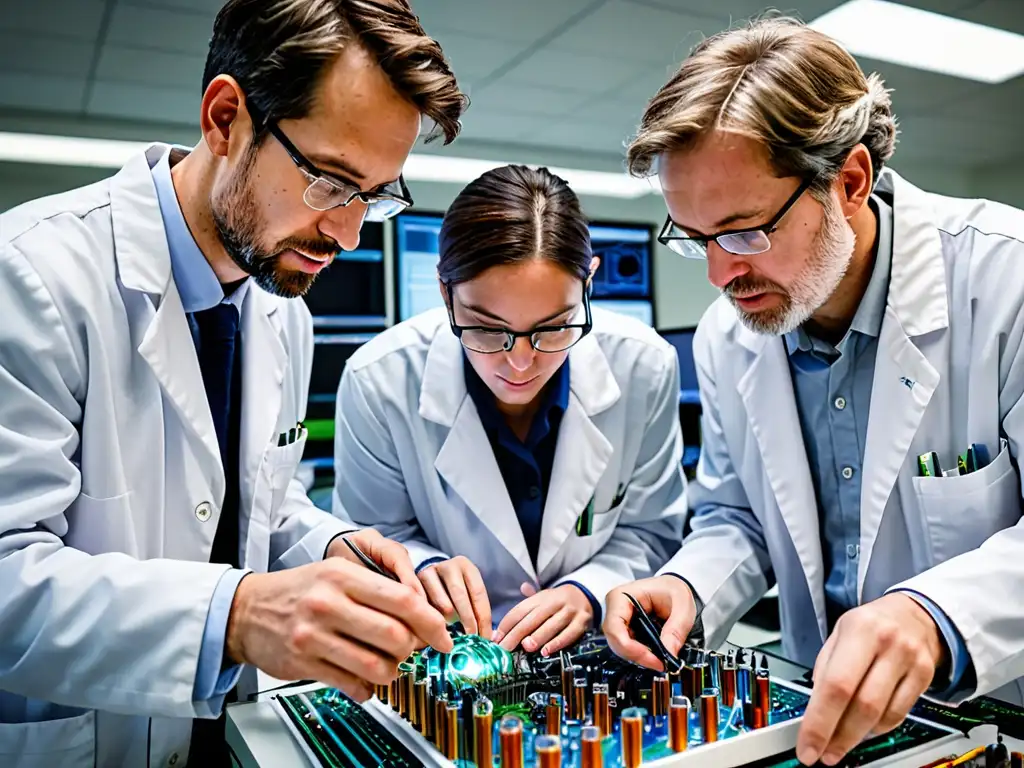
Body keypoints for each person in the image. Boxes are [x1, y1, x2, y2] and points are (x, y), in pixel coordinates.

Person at [0, 1, 467, 765]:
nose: (349, 235)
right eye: (332, 181)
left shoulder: (283, 311)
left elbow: (262, 504)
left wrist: (337, 544)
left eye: (376, 196)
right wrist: (236, 618)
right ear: (225, 118)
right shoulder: (31, 276)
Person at [602, 15, 1024, 768]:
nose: (718, 276)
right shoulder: (730, 338)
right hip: (817, 729)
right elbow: (738, 516)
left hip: (993, 724)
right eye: (695, 238)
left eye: (741, 232)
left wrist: (935, 615)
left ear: (850, 181)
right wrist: (686, 586)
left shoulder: (1005, 282)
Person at [331, 164, 686, 656]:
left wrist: (589, 593)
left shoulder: (644, 367)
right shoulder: (379, 381)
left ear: (589, 285)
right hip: (450, 652)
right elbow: (368, 540)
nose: (520, 363)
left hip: (594, 651)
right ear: (444, 293)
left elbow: (650, 532)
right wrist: (421, 566)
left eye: (554, 327)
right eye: (486, 328)